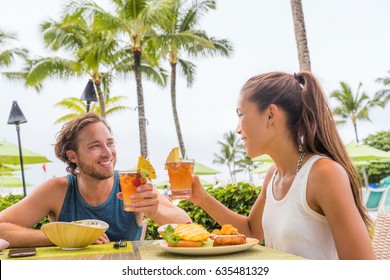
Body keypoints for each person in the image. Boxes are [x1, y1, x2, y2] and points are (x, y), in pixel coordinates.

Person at [189, 71, 376, 260]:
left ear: (270, 114)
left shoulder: (324, 174)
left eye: (241, 114)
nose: (238, 129)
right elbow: (252, 231)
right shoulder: (274, 175)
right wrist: (202, 198)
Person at [0, 113, 191, 248]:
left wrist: (155, 210)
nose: (108, 153)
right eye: (95, 146)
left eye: (110, 143)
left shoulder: (131, 183)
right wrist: (68, 236)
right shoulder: (56, 190)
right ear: (73, 156)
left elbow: (187, 227)